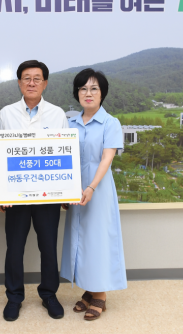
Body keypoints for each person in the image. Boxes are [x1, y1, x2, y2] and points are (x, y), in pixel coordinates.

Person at [0, 60, 70, 322]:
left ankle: (49, 294)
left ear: (45, 83)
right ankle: (14, 297)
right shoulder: (6, 114)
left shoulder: (57, 114)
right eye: (26, 78)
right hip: (15, 196)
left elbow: (65, 155)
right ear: (19, 83)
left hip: (48, 196)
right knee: (14, 248)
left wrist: (65, 193)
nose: (31, 83)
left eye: (37, 78)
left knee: (48, 247)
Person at [60, 68, 127, 321]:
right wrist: (65, 191)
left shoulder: (111, 123)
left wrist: (91, 187)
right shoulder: (70, 124)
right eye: (83, 89)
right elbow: (63, 159)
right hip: (75, 191)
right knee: (81, 239)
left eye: (94, 89)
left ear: (102, 93)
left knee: (97, 240)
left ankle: (100, 294)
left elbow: (106, 159)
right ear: (77, 93)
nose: (88, 93)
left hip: (98, 190)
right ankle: (89, 288)